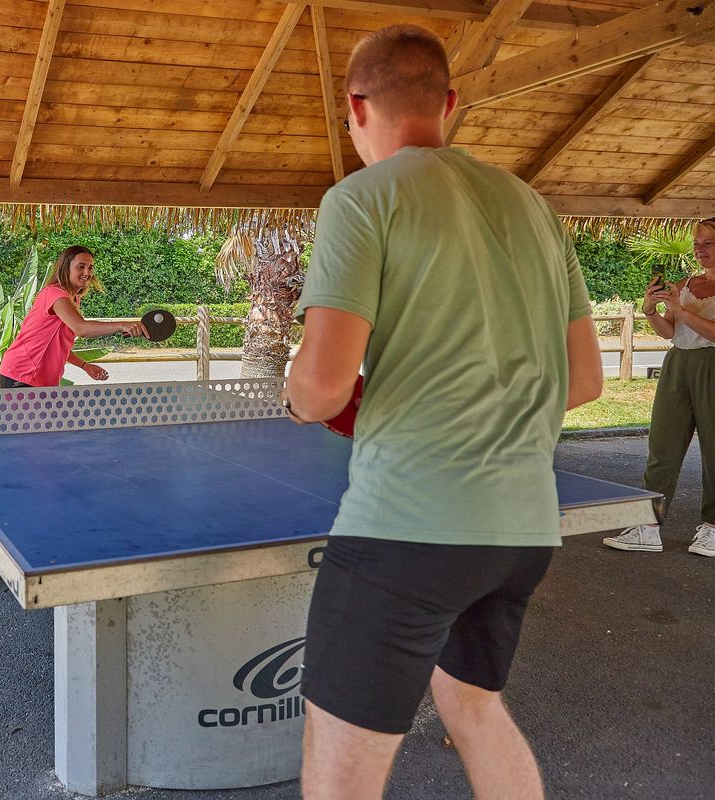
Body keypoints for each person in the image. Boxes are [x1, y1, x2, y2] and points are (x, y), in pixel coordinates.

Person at [280, 24, 603, 800]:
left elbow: (322, 387)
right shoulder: (531, 206)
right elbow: (585, 379)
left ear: (354, 107)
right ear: (449, 104)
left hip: (407, 528)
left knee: (341, 760)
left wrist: (298, 394)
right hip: (522, 530)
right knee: (473, 708)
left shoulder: (360, 200)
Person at [604, 217, 715, 557]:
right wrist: (651, 309)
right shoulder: (685, 283)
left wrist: (679, 308)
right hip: (678, 363)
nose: (699, 249)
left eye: (708, 243)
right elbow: (668, 331)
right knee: (662, 446)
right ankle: (648, 526)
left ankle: (712, 528)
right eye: (697, 243)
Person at [0, 245, 146, 388]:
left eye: (90, 267)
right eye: (81, 266)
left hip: (39, 379)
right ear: (65, 268)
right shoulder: (54, 294)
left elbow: (58, 347)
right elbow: (82, 328)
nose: (87, 273)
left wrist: (85, 366)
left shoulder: (73, 299)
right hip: (22, 374)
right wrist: (122, 325)